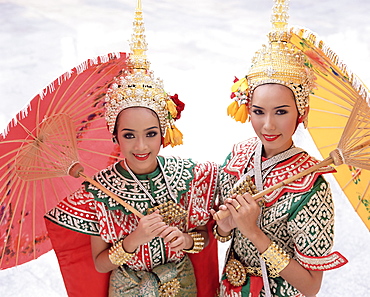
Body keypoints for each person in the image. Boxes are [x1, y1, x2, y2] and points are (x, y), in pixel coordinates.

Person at [44, 2, 219, 297]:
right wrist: (133, 240)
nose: (141, 146)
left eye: (151, 134)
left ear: (165, 133)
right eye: (129, 135)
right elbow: (100, 264)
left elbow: (206, 236)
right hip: (128, 288)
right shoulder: (99, 189)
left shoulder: (190, 176)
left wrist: (187, 241)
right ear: (115, 136)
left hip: (181, 286)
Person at [211, 1, 347, 296]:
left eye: (281, 112)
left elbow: (311, 286)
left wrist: (253, 232)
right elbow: (221, 233)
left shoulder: (311, 184)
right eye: (258, 112)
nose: (268, 125)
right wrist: (226, 225)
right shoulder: (237, 157)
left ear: (302, 111)